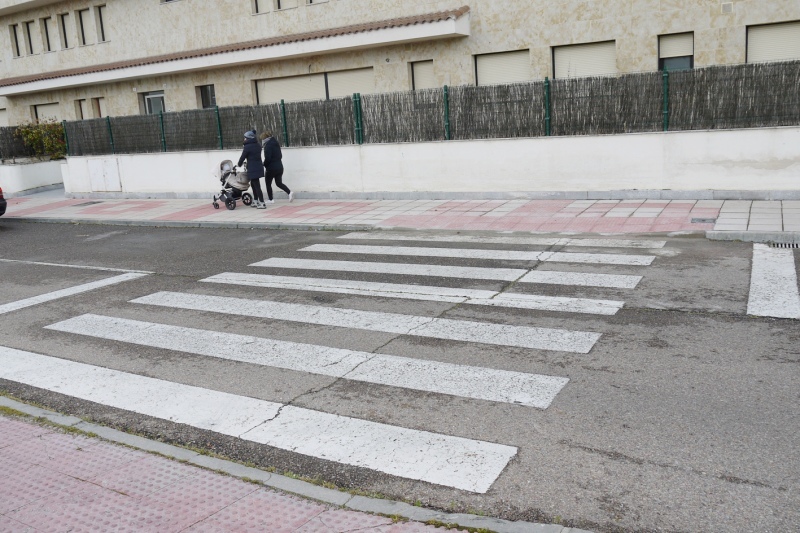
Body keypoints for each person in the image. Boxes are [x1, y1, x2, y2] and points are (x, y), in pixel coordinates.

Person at [260, 131, 293, 203]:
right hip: (280, 167)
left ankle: (271, 199)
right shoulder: (276, 143)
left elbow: (268, 158)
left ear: (265, 138)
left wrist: (264, 164)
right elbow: (280, 155)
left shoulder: (267, 146)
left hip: (271, 168)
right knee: (279, 183)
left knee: (268, 184)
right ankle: (289, 192)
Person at [237, 130, 266, 209]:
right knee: (253, 185)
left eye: (245, 138)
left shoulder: (247, 147)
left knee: (256, 186)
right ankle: (256, 200)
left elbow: (242, 157)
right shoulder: (258, 145)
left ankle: (262, 203)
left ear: (248, 138)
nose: (244, 139)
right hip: (258, 167)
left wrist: (239, 164)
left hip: (252, 168)